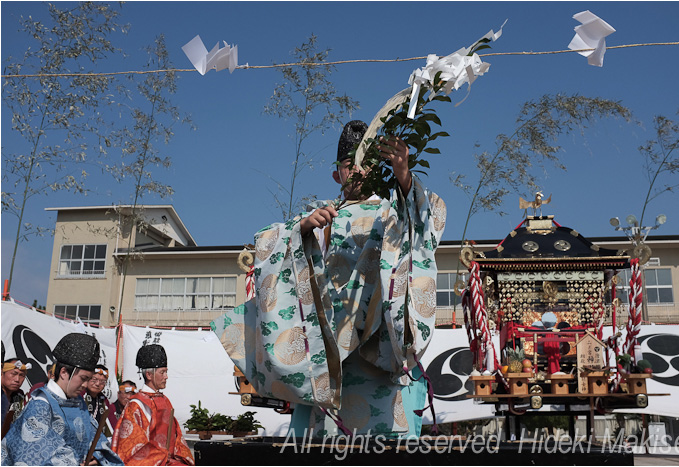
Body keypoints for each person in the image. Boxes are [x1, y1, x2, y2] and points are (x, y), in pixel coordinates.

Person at [213, 120, 446, 437]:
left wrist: (405, 177)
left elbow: (425, 229)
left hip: (376, 348)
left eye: (368, 164)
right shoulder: (318, 214)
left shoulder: (394, 212)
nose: (360, 172)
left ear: (381, 168)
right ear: (337, 173)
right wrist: (303, 230)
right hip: (325, 354)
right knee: (320, 447)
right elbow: (271, 244)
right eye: (351, 166)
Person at [1, 333, 123, 465]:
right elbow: (36, 454)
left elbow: (96, 440)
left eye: (88, 380)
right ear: (64, 372)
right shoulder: (40, 406)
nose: (85, 385)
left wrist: (97, 458)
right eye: (83, 379)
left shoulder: (78, 403)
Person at [111, 344, 194, 465]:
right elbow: (132, 447)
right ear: (149, 375)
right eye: (162, 372)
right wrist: (161, 456)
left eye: (166, 372)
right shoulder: (136, 405)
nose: (166, 376)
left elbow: (176, 438)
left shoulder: (165, 400)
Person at [84, 364, 118, 437]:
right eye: (94, 380)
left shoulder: (104, 401)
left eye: (102, 382)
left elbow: (112, 424)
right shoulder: (80, 396)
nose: (97, 384)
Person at [1, 359, 29, 424]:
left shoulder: (19, 397)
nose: (17, 379)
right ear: (2, 373)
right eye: (14, 374)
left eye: (21, 375)